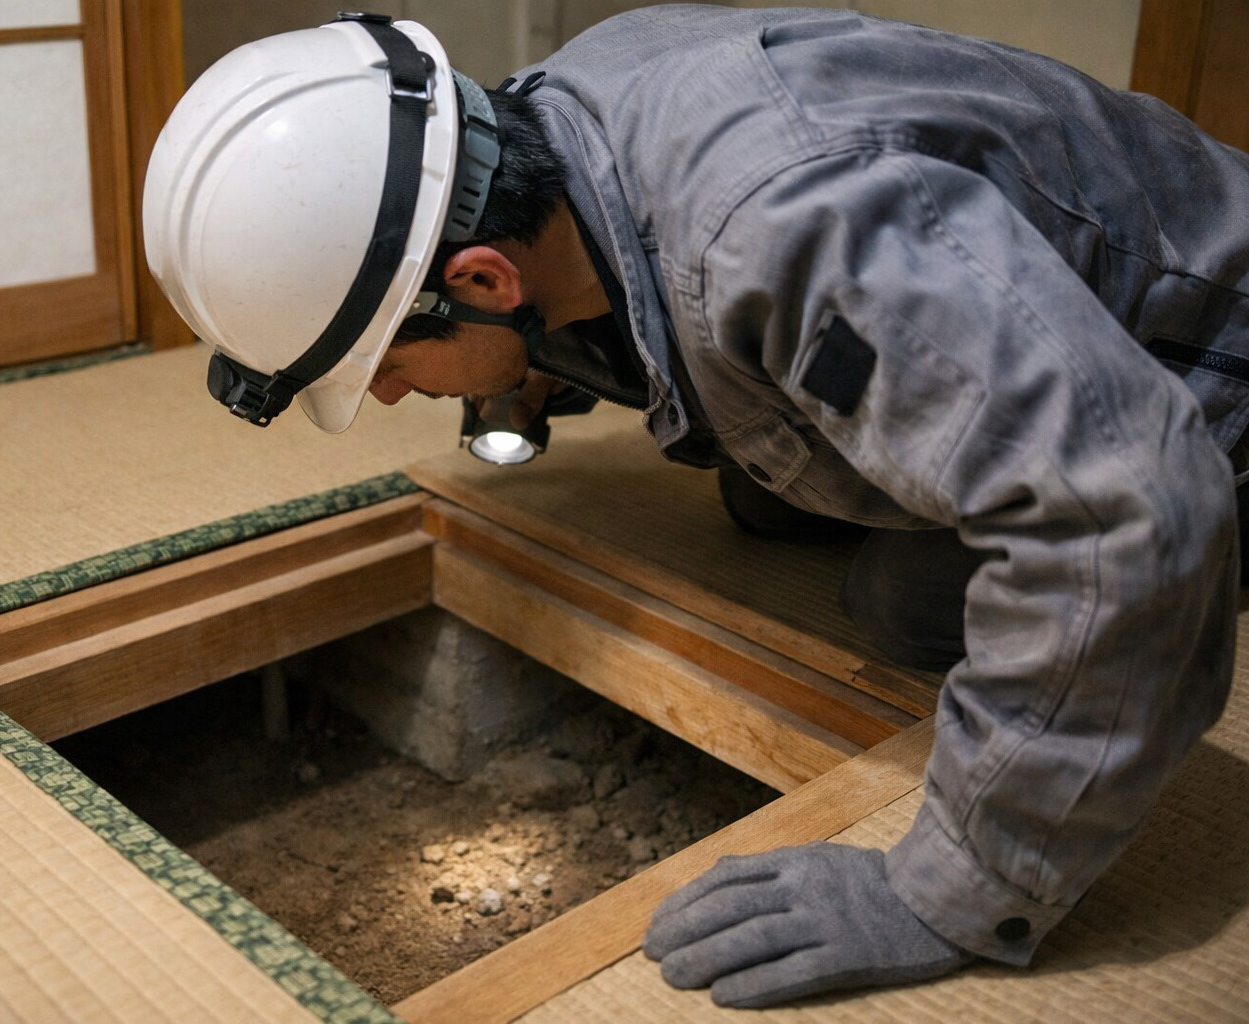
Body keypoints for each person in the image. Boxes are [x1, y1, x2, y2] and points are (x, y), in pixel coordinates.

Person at [143, 6, 1249, 1009]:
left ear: (482, 281)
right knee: (761, 498)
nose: (384, 393)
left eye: (384, 361)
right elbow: (605, 277)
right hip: (1015, 302)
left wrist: (946, 892)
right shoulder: (554, 119)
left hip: (1210, 369)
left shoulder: (785, 230)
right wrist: (519, 372)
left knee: (903, 604)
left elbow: (1126, 511)